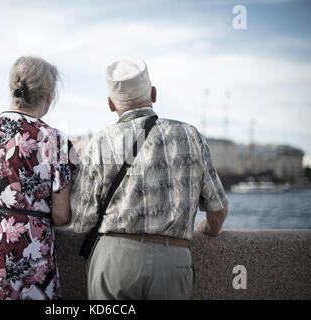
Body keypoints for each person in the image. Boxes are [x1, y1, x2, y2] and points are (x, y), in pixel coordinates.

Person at [71, 59, 229, 300]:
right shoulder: (190, 135)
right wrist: (208, 228)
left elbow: (82, 222)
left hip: (116, 261)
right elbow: (218, 209)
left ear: (111, 104)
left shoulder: (100, 142)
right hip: (173, 261)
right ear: (153, 93)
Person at [0, 56, 78, 300]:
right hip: (21, 250)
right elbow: (62, 216)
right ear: (49, 96)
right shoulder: (55, 140)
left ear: (13, 89)